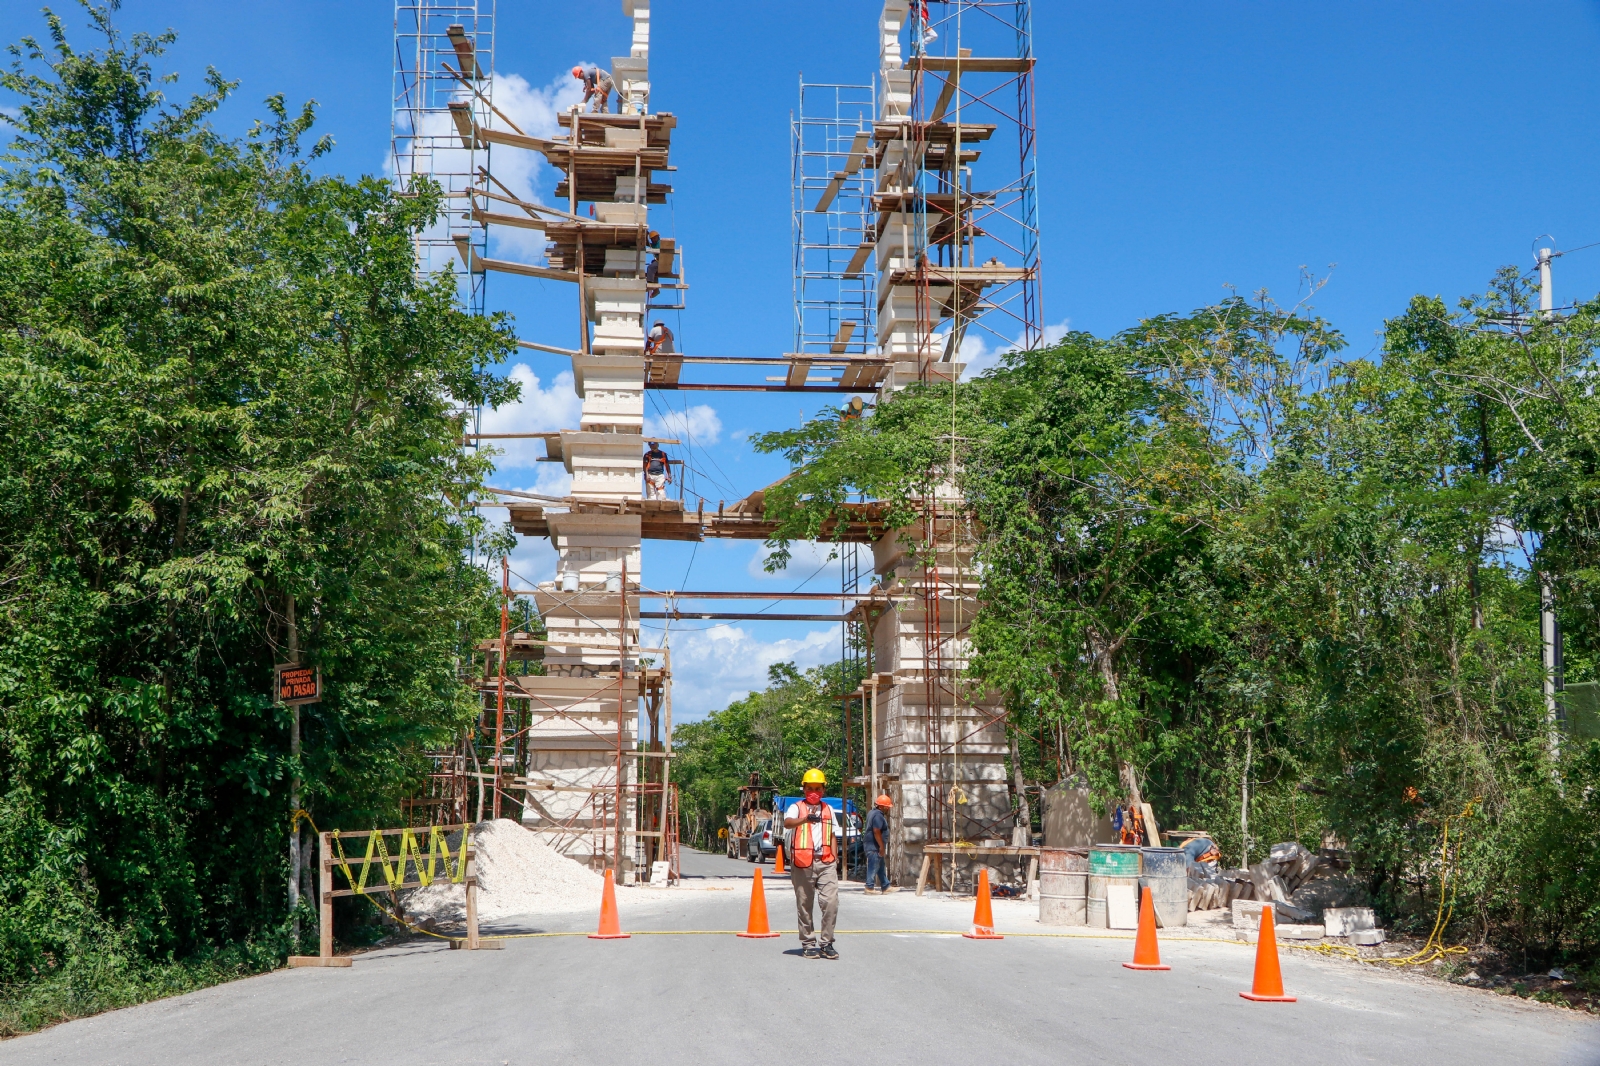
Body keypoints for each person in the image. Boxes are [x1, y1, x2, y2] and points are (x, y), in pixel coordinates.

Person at [783, 769, 842, 960]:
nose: (814, 792)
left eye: (817, 788)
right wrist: (805, 819)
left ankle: (826, 943)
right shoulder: (796, 807)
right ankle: (808, 943)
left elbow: (833, 834)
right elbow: (787, 823)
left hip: (825, 862)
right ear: (804, 789)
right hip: (802, 863)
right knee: (804, 905)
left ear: (823, 789)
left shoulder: (828, 809)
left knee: (830, 903)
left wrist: (834, 856)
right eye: (810, 788)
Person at [862, 793, 897, 894]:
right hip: (874, 846)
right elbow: (876, 831)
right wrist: (881, 846)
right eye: (887, 807)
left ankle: (886, 886)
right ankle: (869, 887)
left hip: (871, 845)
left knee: (880, 865)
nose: (888, 809)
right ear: (881, 806)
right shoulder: (878, 815)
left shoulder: (872, 813)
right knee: (873, 865)